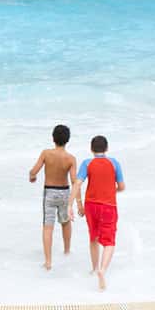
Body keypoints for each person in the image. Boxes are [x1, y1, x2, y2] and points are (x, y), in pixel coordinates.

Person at [71, 135, 124, 291]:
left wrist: (71, 204)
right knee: (109, 241)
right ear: (106, 149)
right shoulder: (114, 163)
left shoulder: (87, 163)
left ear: (91, 149)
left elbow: (77, 183)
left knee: (93, 236)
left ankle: (94, 269)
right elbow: (121, 186)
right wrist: (111, 191)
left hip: (90, 206)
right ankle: (102, 270)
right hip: (108, 205)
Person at [28, 124, 77, 270]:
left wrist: (32, 176)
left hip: (49, 192)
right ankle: (67, 251)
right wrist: (78, 200)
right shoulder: (71, 158)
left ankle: (48, 261)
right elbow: (75, 181)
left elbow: (34, 171)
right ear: (67, 140)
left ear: (53, 138)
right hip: (65, 192)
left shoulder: (46, 153)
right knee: (66, 222)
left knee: (48, 227)